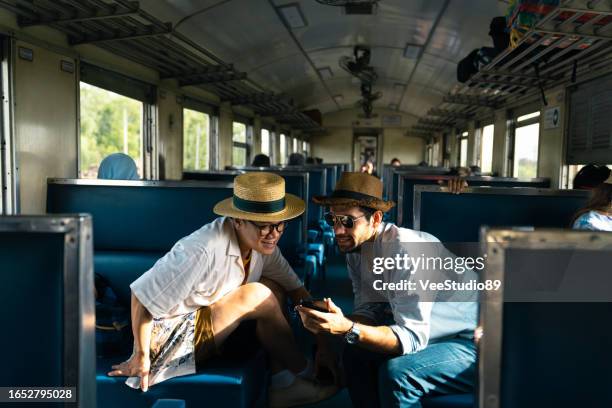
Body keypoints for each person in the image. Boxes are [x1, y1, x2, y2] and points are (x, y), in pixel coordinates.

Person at [108, 172, 336, 407]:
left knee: (275, 288)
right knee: (258, 295)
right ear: (238, 220)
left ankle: (282, 383)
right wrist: (141, 356)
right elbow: (141, 295)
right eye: (263, 226)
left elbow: (297, 291)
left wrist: (324, 346)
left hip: (207, 325)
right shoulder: (202, 249)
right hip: (169, 338)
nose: (273, 234)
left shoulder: (263, 247)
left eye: (280, 225)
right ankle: (306, 373)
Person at [297, 172, 478, 407]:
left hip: (471, 340)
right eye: (333, 220)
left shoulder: (407, 252)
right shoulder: (356, 249)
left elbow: (411, 338)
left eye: (348, 221)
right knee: (355, 353)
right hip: (431, 332)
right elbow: (370, 309)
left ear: (375, 219)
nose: (338, 231)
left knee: (399, 374)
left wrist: (347, 329)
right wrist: (330, 334)